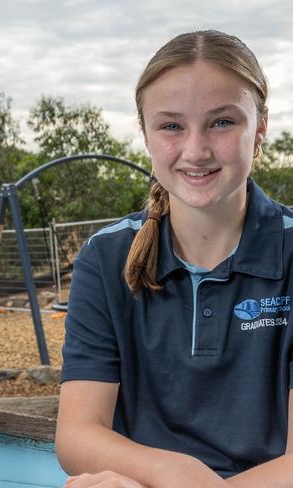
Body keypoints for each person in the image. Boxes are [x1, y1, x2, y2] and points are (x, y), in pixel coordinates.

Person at [56, 30, 293, 487]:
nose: (196, 150)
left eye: (222, 122)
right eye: (171, 126)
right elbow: (77, 435)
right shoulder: (106, 257)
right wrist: (173, 472)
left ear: (259, 126)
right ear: (145, 133)